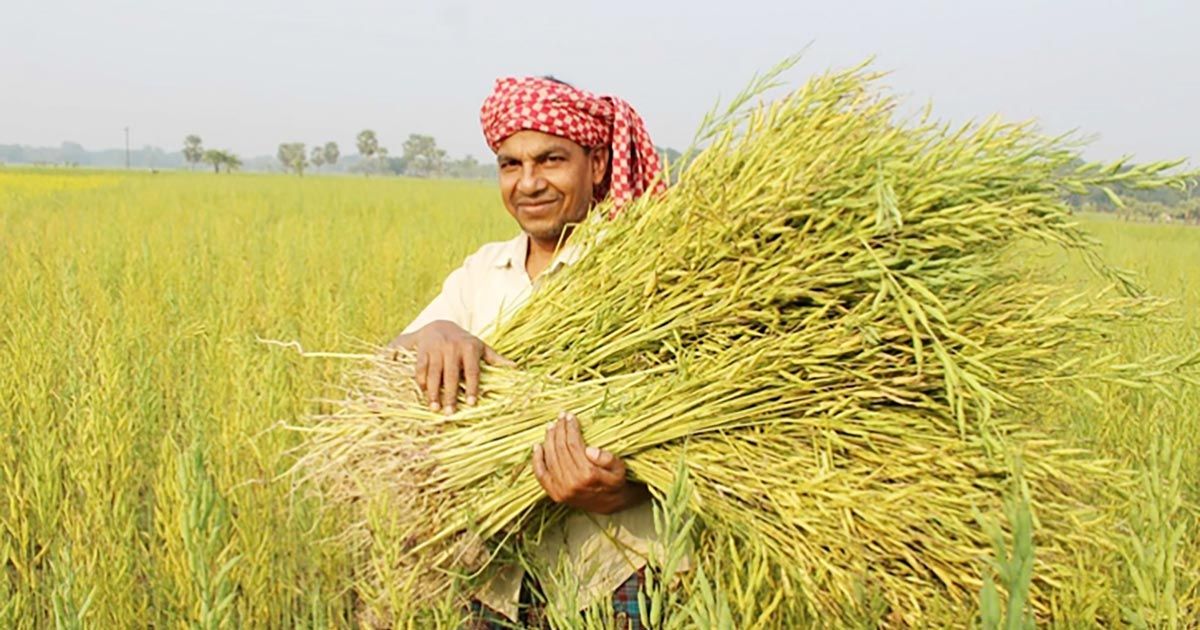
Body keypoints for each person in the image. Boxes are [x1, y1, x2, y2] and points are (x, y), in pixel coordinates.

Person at [387, 75, 669, 628]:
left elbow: (704, 428)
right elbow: (391, 357)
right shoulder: (482, 270)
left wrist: (624, 490)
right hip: (496, 579)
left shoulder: (647, 272)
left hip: (616, 576)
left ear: (598, 164)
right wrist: (437, 331)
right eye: (510, 164)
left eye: (551, 160)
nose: (529, 183)